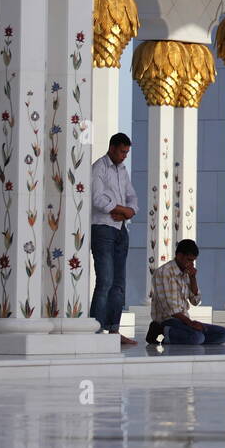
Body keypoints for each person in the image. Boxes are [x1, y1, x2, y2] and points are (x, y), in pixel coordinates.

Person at [91, 132, 139, 343]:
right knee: (105, 280)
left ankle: (114, 330)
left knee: (119, 283)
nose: (124, 156)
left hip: (120, 229)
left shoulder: (122, 170)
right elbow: (97, 199)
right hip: (103, 229)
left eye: (126, 152)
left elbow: (133, 197)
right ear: (111, 148)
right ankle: (95, 329)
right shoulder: (99, 168)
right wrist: (121, 208)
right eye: (122, 152)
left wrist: (128, 211)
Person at [146, 238, 225, 346]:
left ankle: (188, 335)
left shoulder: (187, 273)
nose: (191, 264)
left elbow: (196, 301)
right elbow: (171, 309)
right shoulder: (164, 272)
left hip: (183, 321)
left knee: (224, 334)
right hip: (167, 321)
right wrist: (191, 323)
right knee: (197, 337)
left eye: (193, 261)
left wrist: (192, 278)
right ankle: (160, 334)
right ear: (179, 256)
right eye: (189, 260)